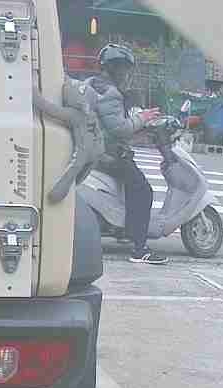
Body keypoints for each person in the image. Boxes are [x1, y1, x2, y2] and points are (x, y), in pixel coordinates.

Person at [89, 44, 168, 264]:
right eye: (124, 69)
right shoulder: (111, 94)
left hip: (96, 149)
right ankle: (139, 249)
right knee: (143, 191)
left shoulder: (93, 84)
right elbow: (119, 129)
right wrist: (143, 118)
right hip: (109, 155)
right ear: (115, 68)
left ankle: (125, 230)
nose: (127, 74)